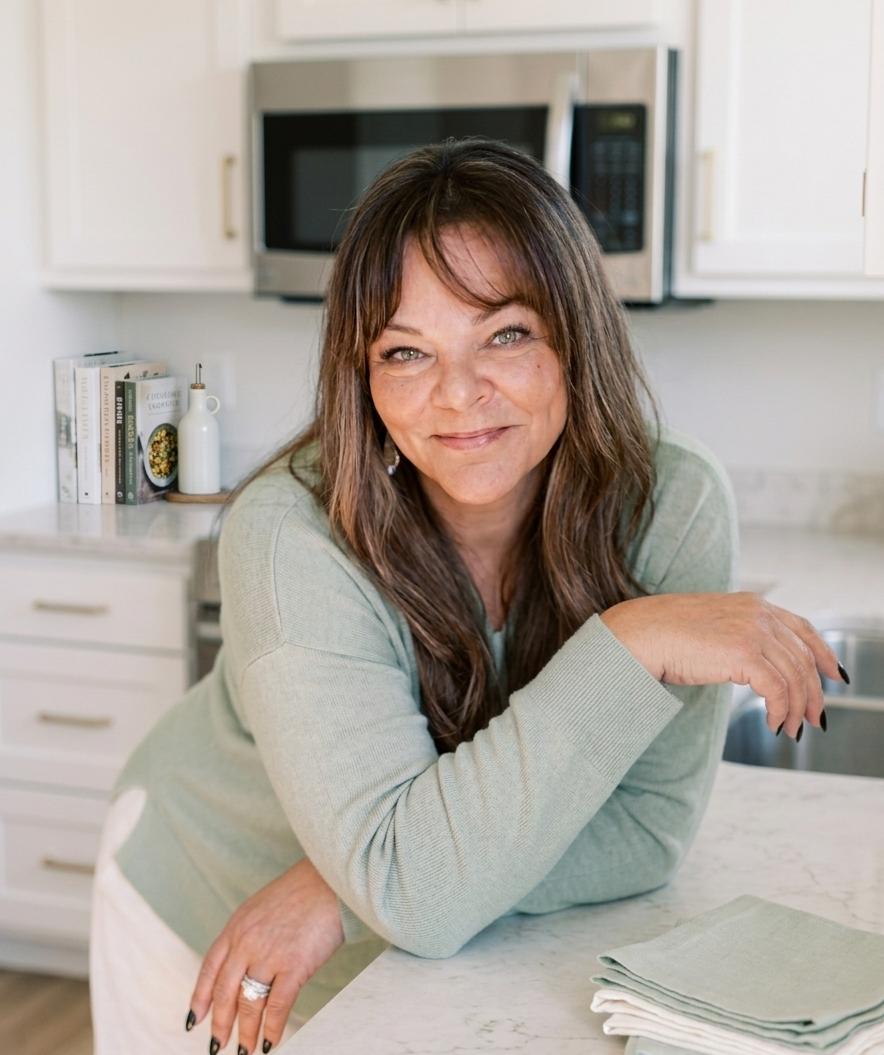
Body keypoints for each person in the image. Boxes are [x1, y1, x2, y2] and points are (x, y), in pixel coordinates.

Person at [90, 139, 837, 1055]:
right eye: (406, 351)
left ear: (576, 335)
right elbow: (413, 892)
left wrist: (346, 887)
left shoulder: (669, 505)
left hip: (420, 955)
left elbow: (644, 830)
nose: (457, 394)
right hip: (214, 917)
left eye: (506, 335)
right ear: (363, 377)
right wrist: (630, 644)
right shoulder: (291, 532)